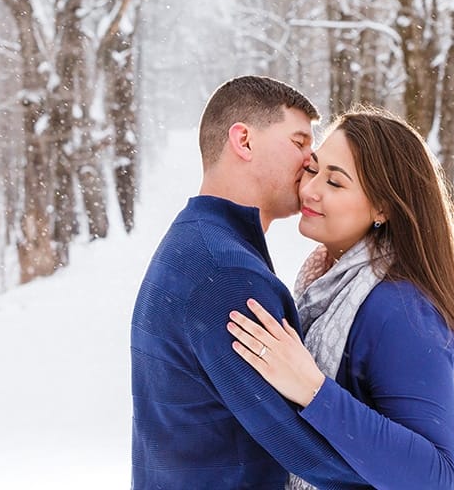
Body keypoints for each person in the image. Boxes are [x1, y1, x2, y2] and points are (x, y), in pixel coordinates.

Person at [129, 76, 368, 489]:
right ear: (244, 140)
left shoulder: (196, 242)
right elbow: (296, 443)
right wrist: (420, 474)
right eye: (298, 143)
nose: (311, 161)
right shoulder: (225, 273)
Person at [227, 107, 454, 490]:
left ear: (383, 207)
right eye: (313, 170)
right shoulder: (325, 286)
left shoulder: (399, 309)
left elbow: (439, 476)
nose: (310, 190)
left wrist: (312, 388)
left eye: (336, 183)